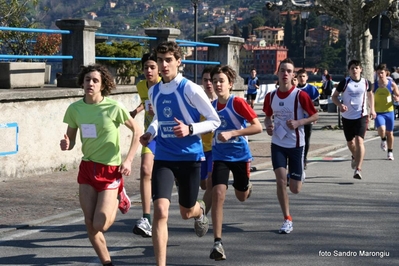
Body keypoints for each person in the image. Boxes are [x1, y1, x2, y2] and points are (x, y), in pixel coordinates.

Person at [139, 41, 221, 266]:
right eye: (160, 60)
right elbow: (159, 118)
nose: (164, 65)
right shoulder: (153, 90)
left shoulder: (190, 89)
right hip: (164, 157)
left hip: (189, 157)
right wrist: (150, 132)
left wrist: (190, 128)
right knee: (161, 211)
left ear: (178, 62)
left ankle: (200, 209)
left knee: (186, 212)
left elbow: (215, 120)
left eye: (168, 60)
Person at [60, 64, 141, 266]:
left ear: (103, 84)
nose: (91, 83)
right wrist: (66, 144)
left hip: (110, 170)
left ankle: (119, 195)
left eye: (95, 80)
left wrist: (129, 159)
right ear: (82, 82)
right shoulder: (75, 109)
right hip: (87, 168)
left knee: (100, 223)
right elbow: (70, 140)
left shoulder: (114, 107)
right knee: (90, 223)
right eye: (88, 79)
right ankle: (107, 263)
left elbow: (137, 131)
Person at [208, 65, 262, 261]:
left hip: (239, 156)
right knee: (217, 193)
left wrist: (233, 133)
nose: (217, 85)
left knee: (241, 196)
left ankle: (247, 185)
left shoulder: (237, 102)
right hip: (220, 156)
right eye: (214, 82)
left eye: (221, 81)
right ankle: (217, 242)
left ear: (230, 84)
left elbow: (258, 127)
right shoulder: (211, 107)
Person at [263, 58, 318, 234]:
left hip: (296, 145)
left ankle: (298, 173)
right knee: (280, 180)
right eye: (282, 70)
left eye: (288, 71)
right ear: (277, 73)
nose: (285, 74)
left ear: (293, 75)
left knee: (295, 189)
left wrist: (298, 122)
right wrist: (268, 126)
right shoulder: (270, 96)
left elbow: (314, 116)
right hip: (277, 143)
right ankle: (287, 219)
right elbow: (267, 116)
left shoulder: (301, 96)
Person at [130, 53, 161, 238]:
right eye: (146, 68)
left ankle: (194, 206)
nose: (148, 71)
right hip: (150, 135)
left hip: (167, 135)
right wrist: (136, 110)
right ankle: (146, 218)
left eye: (152, 67)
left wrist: (155, 110)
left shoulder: (165, 86)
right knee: (145, 170)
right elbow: (145, 100)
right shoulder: (141, 85)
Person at [331, 59, 376, 180]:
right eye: (352, 68)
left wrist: (372, 109)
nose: (355, 70)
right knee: (350, 143)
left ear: (361, 69)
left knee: (359, 141)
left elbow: (370, 95)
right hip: (347, 117)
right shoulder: (345, 83)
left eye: (357, 68)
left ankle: (358, 169)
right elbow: (334, 97)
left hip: (361, 116)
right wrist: (340, 105)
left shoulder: (366, 83)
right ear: (349, 71)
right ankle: (354, 156)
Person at [200, 66, 218, 215]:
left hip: (216, 148)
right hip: (200, 149)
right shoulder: (197, 100)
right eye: (205, 80)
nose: (209, 83)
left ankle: (202, 216)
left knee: (211, 182)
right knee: (204, 184)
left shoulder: (222, 101)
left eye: (211, 80)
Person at [374, 63, 399, 160]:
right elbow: (369, 96)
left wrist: (396, 98)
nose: (380, 75)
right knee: (382, 130)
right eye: (379, 73)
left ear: (386, 73)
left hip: (389, 111)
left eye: (382, 73)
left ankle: (390, 152)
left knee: (390, 133)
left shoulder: (391, 85)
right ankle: (383, 139)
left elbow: (398, 96)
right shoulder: (374, 85)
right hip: (379, 112)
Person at [296, 69, 320, 169]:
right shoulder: (294, 89)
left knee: (306, 139)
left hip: (308, 118)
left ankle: (304, 159)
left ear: (307, 77)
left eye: (303, 76)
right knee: (297, 139)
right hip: (297, 118)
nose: (302, 78)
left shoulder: (311, 89)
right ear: (297, 78)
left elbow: (317, 103)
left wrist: (313, 114)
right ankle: (297, 158)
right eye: (300, 76)